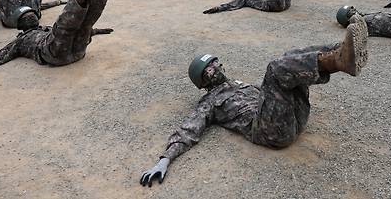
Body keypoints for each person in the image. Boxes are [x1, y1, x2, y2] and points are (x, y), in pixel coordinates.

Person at [139, 16, 369, 187]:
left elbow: (273, 92)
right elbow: (188, 130)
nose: (215, 67)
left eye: (215, 63)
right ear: (202, 81)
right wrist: (164, 160)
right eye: (208, 68)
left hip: (294, 118)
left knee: (288, 58)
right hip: (271, 133)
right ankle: (339, 60)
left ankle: (340, 52)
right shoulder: (209, 101)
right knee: (276, 68)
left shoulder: (239, 84)